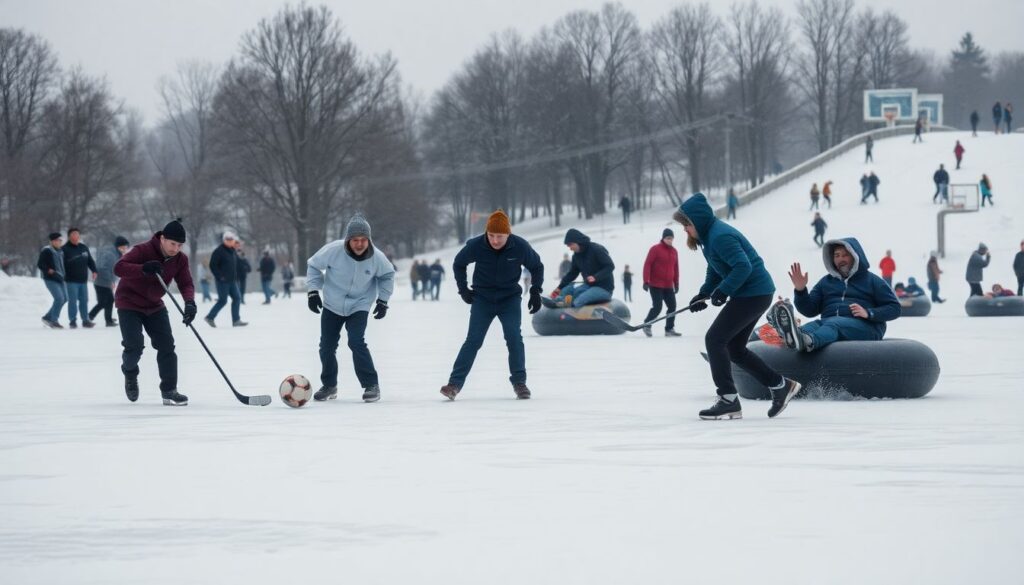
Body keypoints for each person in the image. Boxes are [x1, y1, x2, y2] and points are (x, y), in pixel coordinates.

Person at [673, 193, 801, 420]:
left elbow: (743, 267)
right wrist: (704, 293)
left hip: (753, 293)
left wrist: (724, 291)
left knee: (715, 339)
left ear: (698, 221)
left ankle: (728, 399)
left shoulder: (720, 236)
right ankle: (780, 386)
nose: (685, 230)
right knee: (734, 349)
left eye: (686, 225)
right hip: (753, 293)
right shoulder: (709, 238)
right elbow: (716, 268)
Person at [440, 209, 543, 401]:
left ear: (508, 234)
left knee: (514, 338)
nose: (495, 240)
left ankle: (519, 383)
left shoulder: (520, 246)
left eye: (500, 236)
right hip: (483, 299)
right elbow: (459, 263)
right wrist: (463, 289)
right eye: (491, 235)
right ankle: (454, 384)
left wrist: (536, 291)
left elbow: (537, 266)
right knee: (473, 341)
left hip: (509, 299)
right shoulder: (477, 245)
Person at [307, 215, 395, 403]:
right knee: (327, 346)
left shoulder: (377, 257)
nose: (360, 244)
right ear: (348, 240)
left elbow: (387, 275)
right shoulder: (333, 250)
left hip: (359, 304)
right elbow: (313, 265)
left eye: (363, 240)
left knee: (356, 341)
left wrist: (383, 300)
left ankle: (371, 385)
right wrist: (313, 292)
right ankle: (329, 385)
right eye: (355, 240)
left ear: (368, 240)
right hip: (332, 304)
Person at [113, 219, 195, 406]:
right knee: (134, 346)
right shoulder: (143, 250)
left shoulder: (180, 259)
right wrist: (144, 269)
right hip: (129, 303)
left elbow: (186, 283)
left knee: (167, 345)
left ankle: (169, 391)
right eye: (172, 244)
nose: (175, 248)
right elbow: (119, 268)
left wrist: (190, 303)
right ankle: (130, 372)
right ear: (162, 239)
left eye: (180, 245)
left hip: (154, 304)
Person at [772, 238, 901, 353]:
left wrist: (869, 313)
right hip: (828, 323)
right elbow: (809, 310)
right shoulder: (826, 282)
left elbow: (895, 308)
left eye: (845, 255)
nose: (841, 259)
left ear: (855, 256)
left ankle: (809, 341)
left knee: (834, 324)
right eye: (837, 255)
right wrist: (800, 290)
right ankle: (787, 337)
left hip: (866, 327)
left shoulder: (873, 281)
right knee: (812, 326)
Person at [548, 229, 614, 308]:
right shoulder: (576, 256)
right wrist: (559, 288)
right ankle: (558, 301)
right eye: (568, 246)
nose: (570, 248)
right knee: (568, 290)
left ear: (578, 241)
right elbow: (572, 274)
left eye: (570, 245)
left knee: (580, 299)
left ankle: (570, 307)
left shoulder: (596, 249)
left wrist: (595, 277)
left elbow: (610, 266)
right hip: (589, 286)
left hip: (604, 288)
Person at [641, 228, 681, 337]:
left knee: (672, 307)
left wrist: (676, 283)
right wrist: (646, 281)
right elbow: (647, 264)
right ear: (663, 238)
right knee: (657, 307)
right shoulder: (655, 249)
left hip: (668, 286)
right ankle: (647, 324)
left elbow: (676, 268)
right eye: (668, 238)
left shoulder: (674, 251)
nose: (670, 240)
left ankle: (669, 329)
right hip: (655, 284)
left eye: (671, 238)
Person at [204, 232, 246, 327]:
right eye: (228, 240)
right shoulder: (219, 251)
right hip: (223, 281)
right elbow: (212, 265)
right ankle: (210, 317)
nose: (230, 241)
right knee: (223, 300)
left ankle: (236, 320)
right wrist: (220, 276)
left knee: (237, 298)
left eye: (231, 240)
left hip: (232, 280)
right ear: (224, 240)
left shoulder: (232, 251)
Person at [88, 236, 129, 327]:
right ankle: (92, 317)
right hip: (101, 282)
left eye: (126, 247)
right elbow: (102, 268)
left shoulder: (116, 254)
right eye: (124, 247)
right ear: (119, 246)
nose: (126, 249)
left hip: (105, 282)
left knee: (108, 301)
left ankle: (107, 319)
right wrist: (110, 280)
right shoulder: (110, 255)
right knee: (105, 302)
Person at [62, 227, 98, 328]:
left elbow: (90, 260)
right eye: (73, 234)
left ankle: (85, 320)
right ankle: (72, 321)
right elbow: (60, 265)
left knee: (84, 300)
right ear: (69, 236)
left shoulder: (83, 247)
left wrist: (94, 270)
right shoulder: (64, 249)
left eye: (77, 234)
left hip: (83, 280)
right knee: (72, 301)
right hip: (71, 280)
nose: (76, 236)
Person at [37, 232, 67, 329]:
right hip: (51, 278)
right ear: (53, 241)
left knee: (65, 298)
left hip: (61, 278)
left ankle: (47, 317)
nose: (60, 242)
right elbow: (40, 264)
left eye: (60, 240)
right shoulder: (47, 251)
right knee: (59, 298)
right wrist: (48, 270)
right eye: (58, 240)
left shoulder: (60, 251)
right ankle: (54, 320)